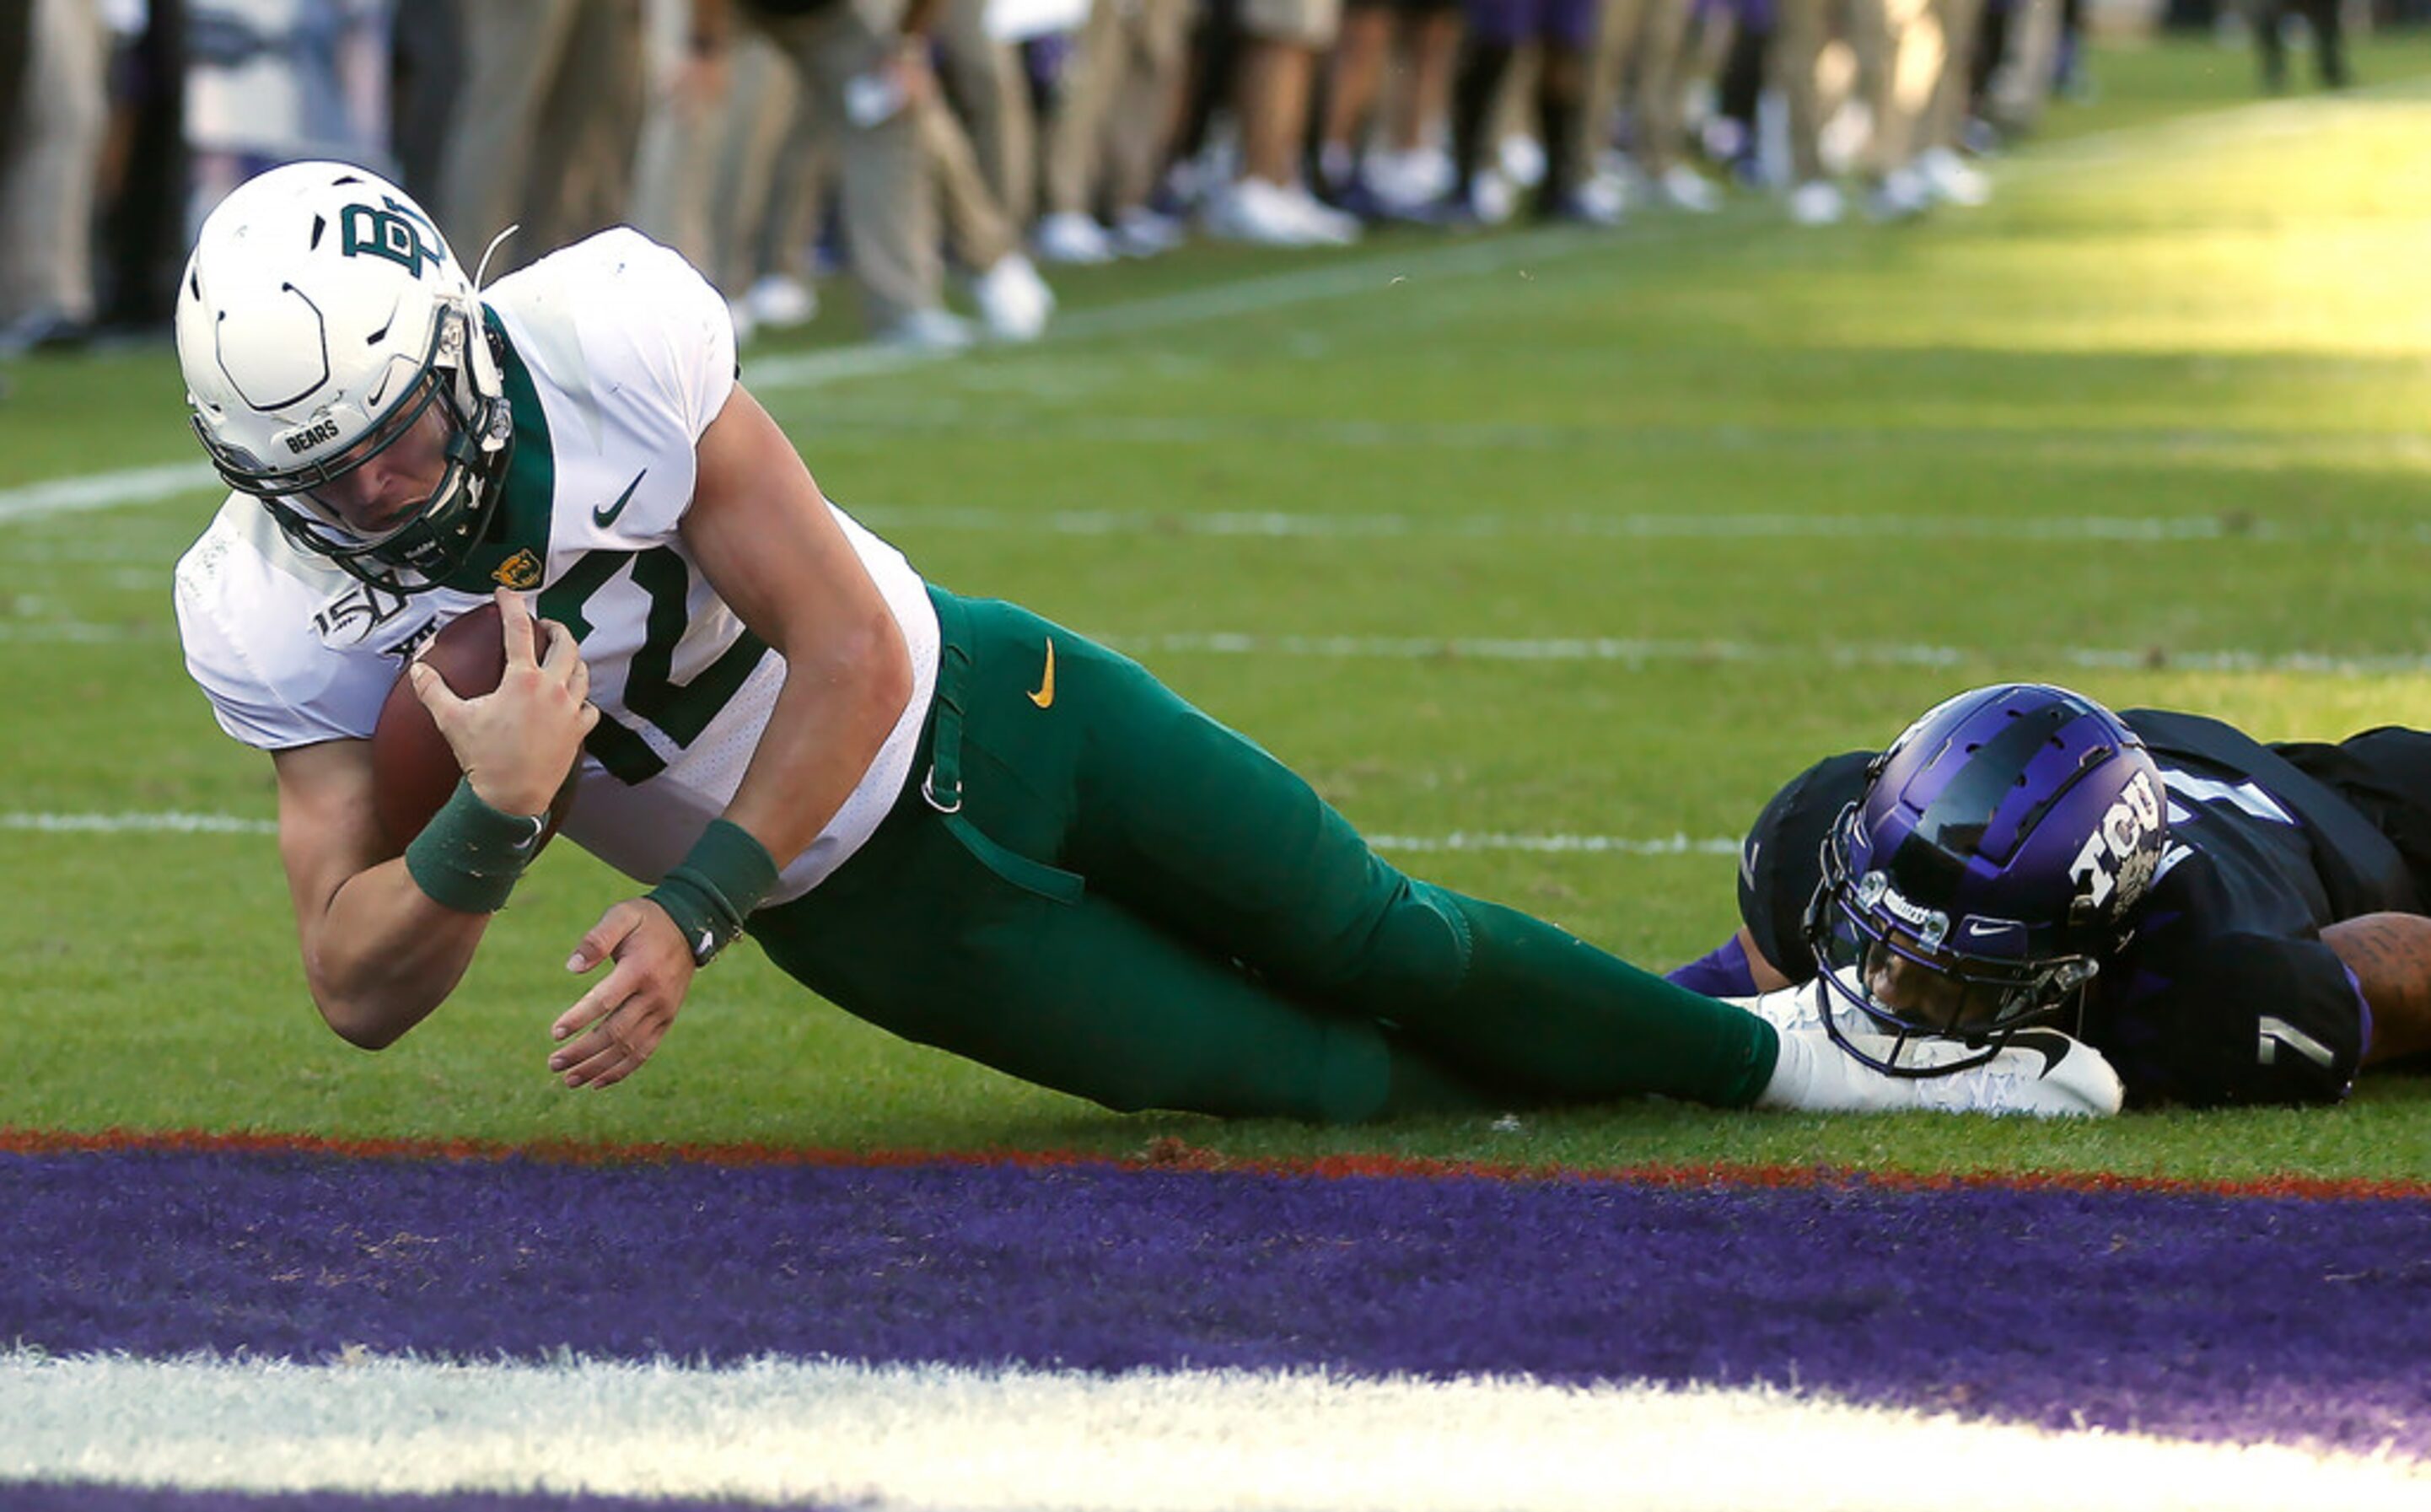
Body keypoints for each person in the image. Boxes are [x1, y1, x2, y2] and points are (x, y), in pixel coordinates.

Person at [169, 161, 2120, 1128]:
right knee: (1332, 1091)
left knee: (1381, 929)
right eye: (321, 475)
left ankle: (1789, 1065)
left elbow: (840, 644)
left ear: (452, 338)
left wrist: (688, 908)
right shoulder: (270, 601)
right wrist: (494, 829)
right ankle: (1740, 1045)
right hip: (880, 913)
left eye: (399, 433)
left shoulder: (603, 331)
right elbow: (353, 984)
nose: (378, 493)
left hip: (997, 699)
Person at [1670, 681, 2431, 1108]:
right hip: (2242, 776)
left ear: (2072, 956)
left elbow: (2403, 968)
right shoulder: (1829, 837)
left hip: (2386, 823)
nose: (1884, 986)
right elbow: (1707, 996)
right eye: (1882, 939)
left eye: (1944, 968)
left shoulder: (2209, 978)